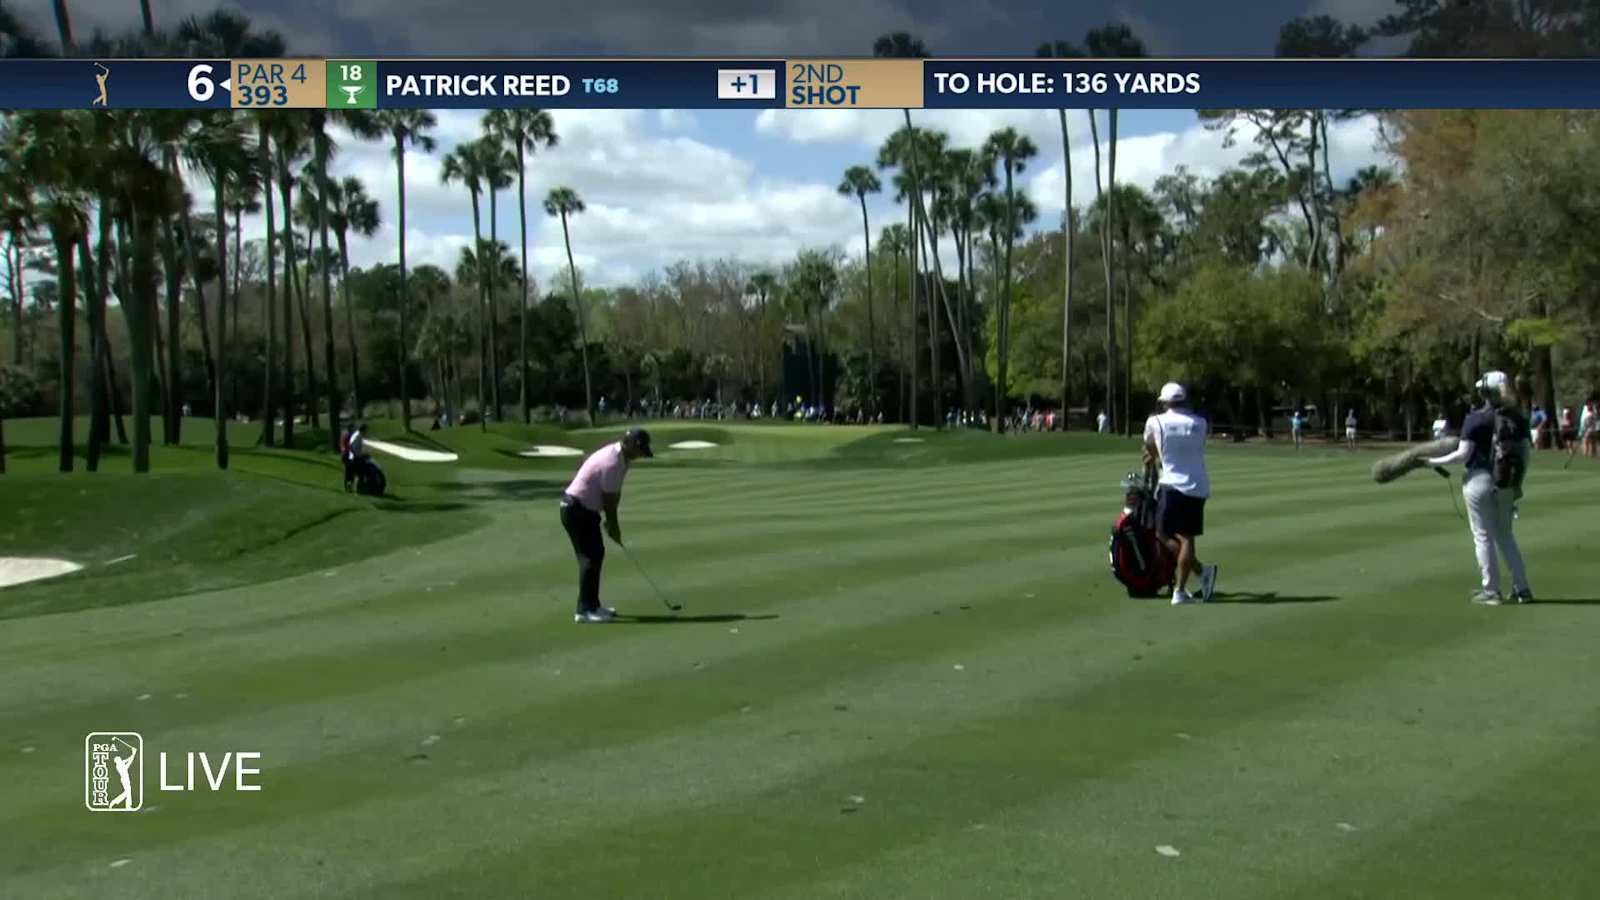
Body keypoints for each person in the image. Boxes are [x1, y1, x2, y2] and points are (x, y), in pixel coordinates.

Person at [1427, 371, 1532, 605]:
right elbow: (1525, 454)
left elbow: (1462, 455)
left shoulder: (1475, 418)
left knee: (1482, 536)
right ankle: (1522, 589)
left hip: (1478, 480)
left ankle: (1491, 590)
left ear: (1484, 392)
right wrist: (1518, 484)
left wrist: (1433, 462)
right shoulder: (1517, 417)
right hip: (1506, 482)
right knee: (1505, 535)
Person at [559, 428, 654, 623]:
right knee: (590, 557)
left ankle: (592, 605)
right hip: (576, 510)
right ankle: (584, 610)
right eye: (639, 450)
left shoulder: (622, 459)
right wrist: (613, 526)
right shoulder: (612, 462)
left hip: (583, 510)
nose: (640, 455)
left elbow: (614, 495)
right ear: (628, 445)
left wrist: (610, 525)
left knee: (595, 554)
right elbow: (609, 502)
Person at [1142, 382, 1219, 605]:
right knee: (1176, 535)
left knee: (1171, 535)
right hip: (1196, 484)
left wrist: (1153, 456)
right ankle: (1200, 571)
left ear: (1164, 402)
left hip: (1170, 484)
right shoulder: (1200, 422)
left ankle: (1180, 591)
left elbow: (1148, 447)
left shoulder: (1154, 421)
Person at [340, 423, 358, 492]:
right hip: (348, 455)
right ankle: (349, 486)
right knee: (351, 471)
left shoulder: (344, 434)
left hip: (344, 455)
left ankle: (347, 486)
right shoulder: (348, 435)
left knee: (348, 471)